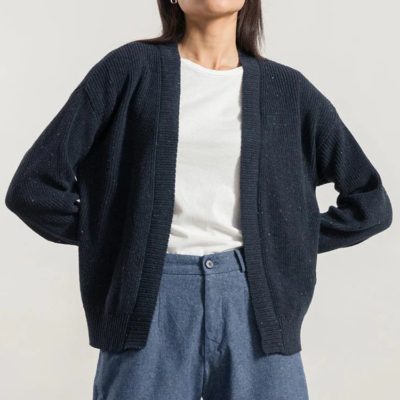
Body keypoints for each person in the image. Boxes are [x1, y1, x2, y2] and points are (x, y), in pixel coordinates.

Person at [4, 1, 393, 399]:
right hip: (149, 306)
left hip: (257, 309)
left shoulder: (288, 91)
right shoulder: (129, 70)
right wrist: (121, 242)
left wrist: (282, 243)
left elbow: (370, 203)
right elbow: (34, 188)